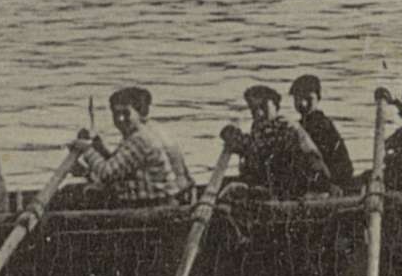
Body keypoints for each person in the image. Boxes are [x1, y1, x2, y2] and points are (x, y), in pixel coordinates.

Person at [62, 85, 195, 208]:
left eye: (126, 113)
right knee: (75, 192)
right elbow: (121, 166)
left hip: (153, 205)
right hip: (170, 198)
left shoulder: (140, 139)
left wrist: (86, 150)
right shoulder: (149, 130)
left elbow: (106, 174)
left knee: (72, 195)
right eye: (116, 114)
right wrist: (98, 147)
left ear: (139, 112)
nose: (120, 119)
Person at [221, 85, 334, 200]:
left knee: (233, 191)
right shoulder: (259, 127)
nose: (259, 113)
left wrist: (238, 140)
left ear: (275, 106)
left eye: (264, 107)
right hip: (277, 184)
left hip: (304, 188)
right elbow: (254, 147)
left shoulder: (286, 126)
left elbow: (260, 148)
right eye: (254, 109)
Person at [289, 75, 360, 188]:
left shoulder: (322, 125)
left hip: (332, 180)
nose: (303, 104)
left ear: (318, 98)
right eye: (298, 98)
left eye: (309, 99)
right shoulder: (300, 125)